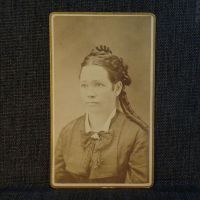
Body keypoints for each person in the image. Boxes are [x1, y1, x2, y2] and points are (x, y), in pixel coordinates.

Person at [54, 45, 149, 183]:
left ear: (116, 88)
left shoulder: (136, 135)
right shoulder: (67, 133)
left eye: (98, 85)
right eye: (84, 85)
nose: (90, 94)